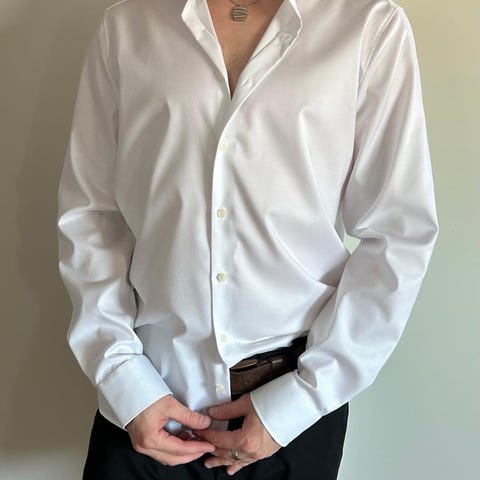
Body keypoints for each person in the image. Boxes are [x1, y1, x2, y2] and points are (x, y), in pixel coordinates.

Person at [57, 0, 439, 477]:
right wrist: (123, 378)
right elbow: (92, 216)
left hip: (292, 420)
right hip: (144, 406)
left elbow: (397, 233)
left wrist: (301, 400)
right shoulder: (127, 26)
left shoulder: (369, 27)